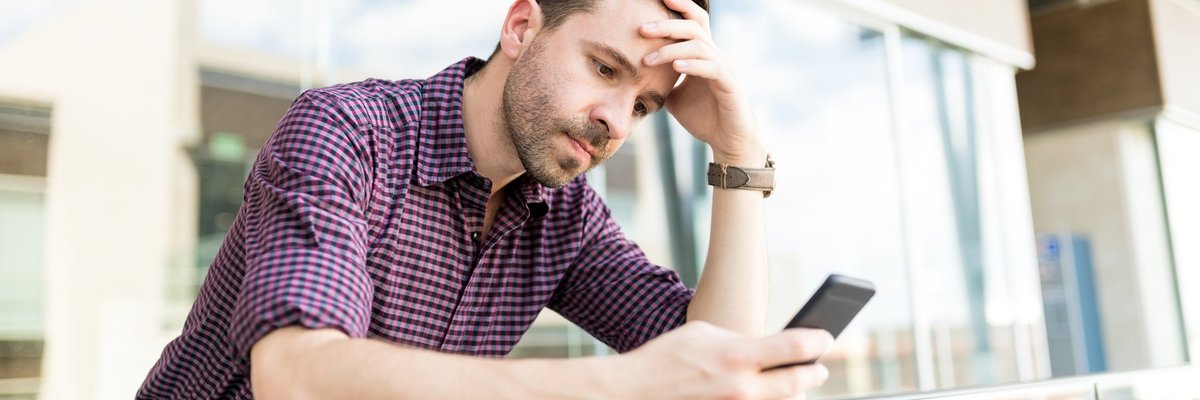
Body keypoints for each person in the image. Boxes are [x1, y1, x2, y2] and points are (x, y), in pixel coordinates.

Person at [139, 0, 835, 398]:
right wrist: (622, 388)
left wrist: (737, 157)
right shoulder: (349, 133)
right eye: (603, 68)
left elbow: (717, 354)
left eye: (645, 106)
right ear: (522, 26)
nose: (617, 122)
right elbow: (294, 375)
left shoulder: (564, 214)